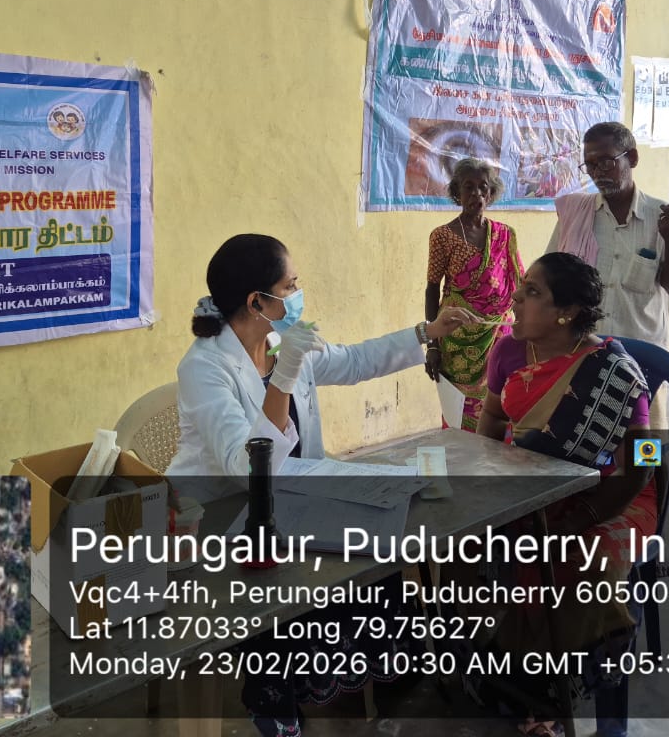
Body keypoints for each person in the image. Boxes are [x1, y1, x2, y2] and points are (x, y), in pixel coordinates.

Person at [168, 233, 478, 735]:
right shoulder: (205, 366)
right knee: (290, 605)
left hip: (297, 503)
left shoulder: (280, 342)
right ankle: (287, 707)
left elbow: (353, 361)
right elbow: (248, 468)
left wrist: (426, 331)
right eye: (290, 286)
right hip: (222, 520)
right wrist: (284, 377)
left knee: (376, 569)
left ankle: (361, 695)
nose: (298, 294)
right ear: (256, 302)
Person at [475, 253, 657, 736]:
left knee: (576, 564)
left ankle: (559, 693)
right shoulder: (508, 350)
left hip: (610, 494)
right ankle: (508, 675)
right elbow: (491, 419)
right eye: (521, 287)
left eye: (533, 292)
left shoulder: (615, 372)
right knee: (461, 546)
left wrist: (580, 518)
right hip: (533, 486)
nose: (516, 298)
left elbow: (641, 466)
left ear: (567, 312)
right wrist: (484, 478)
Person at [547, 122, 669, 345]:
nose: (597, 173)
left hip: (640, 349)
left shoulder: (661, 217)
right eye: (590, 165)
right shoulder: (575, 215)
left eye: (606, 162)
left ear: (632, 158)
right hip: (583, 345)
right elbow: (549, 276)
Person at [424, 157, 524, 432]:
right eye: (469, 187)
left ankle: (491, 455)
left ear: (491, 194)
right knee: (458, 410)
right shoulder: (443, 236)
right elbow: (432, 290)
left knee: (500, 402)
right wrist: (432, 344)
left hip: (498, 333)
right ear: (457, 192)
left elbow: (520, 284)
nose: (477, 194)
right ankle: (458, 455)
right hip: (457, 338)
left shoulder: (505, 234)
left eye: (483, 187)